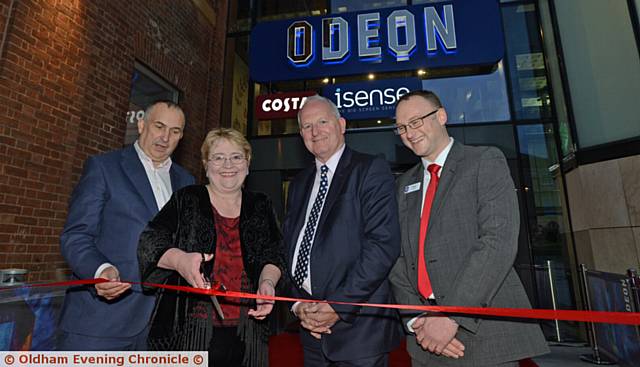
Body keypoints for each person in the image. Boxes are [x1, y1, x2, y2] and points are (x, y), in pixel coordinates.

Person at [388, 90, 549, 366]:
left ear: (441, 116)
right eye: (402, 127)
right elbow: (396, 255)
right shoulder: (403, 185)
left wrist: (451, 317)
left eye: (416, 122)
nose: (409, 133)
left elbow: (497, 242)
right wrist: (417, 319)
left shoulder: (484, 161)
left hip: (484, 334)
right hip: (424, 339)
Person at [137, 128, 285, 367]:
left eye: (236, 156)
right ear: (206, 164)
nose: (228, 164)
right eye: (218, 157)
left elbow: (275, 253)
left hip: (250, 333)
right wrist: (180, 261)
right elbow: (150, 241)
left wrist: (267, 282)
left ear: (247, 163)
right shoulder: (186, 199)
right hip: (186, 333)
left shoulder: (261, 204)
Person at [58, 100, 195, 350]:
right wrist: (100, 270)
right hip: (101, 324)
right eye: (159, 126)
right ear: (141, 125)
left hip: (162, 331)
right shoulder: (104, 167)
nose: (165, 137)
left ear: (181, 137)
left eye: (175, 131)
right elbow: (76, 235)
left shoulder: (187, 182)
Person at [283, 95, 402, 367]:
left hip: (359, 332)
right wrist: (299, 305)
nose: (315, 131)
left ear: (341, 124)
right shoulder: (299, 183)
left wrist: (338, 305)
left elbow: (383, 245)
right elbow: (290, 250)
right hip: (310, 329)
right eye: (307, 126)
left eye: (323, 121)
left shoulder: (370, 169)